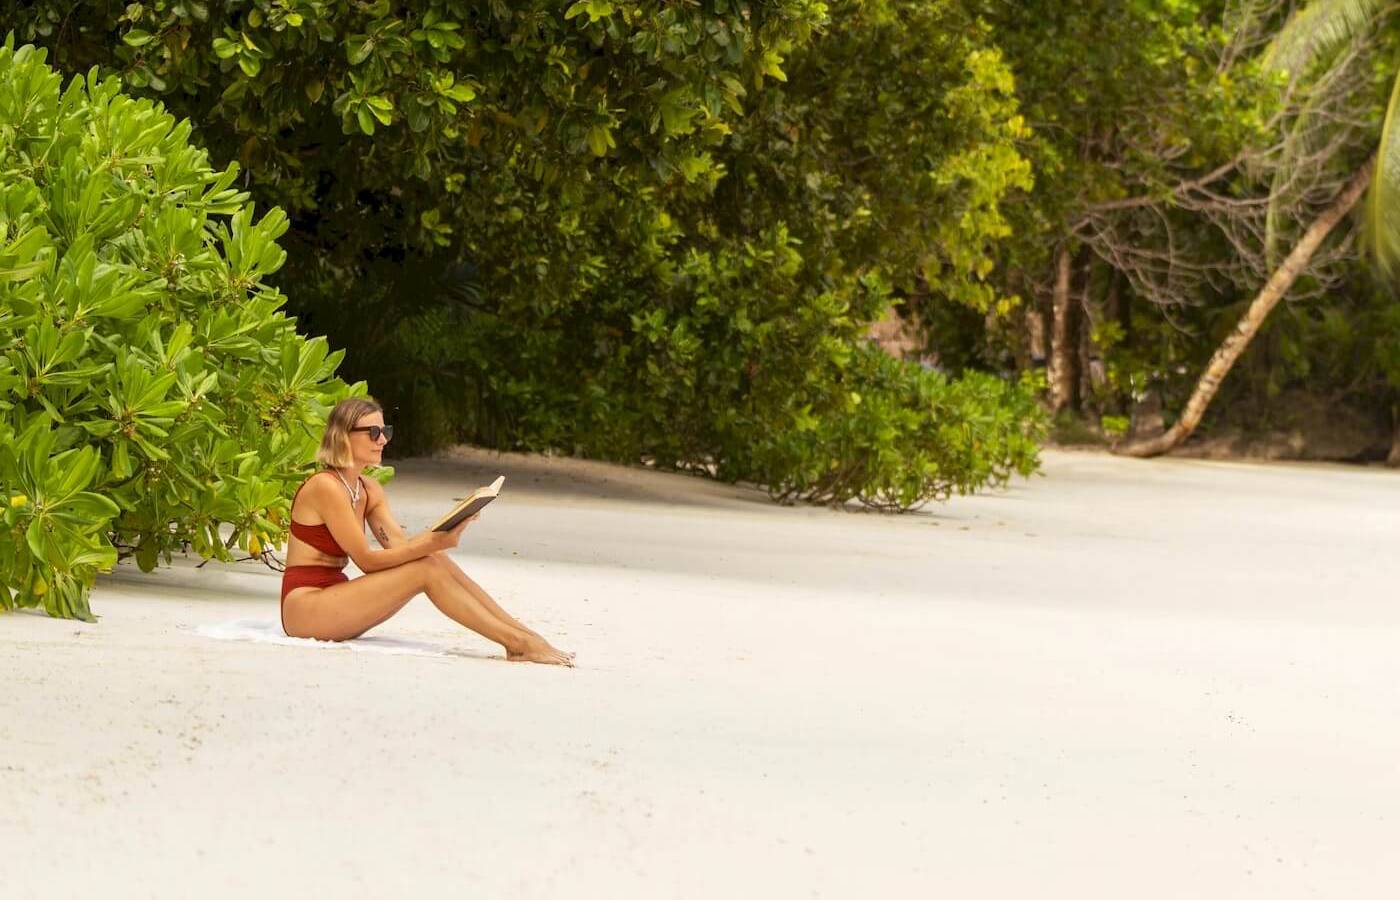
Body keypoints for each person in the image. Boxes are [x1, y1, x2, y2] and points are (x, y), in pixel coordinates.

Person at [279, 397, 573, 666]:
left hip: (335, 597)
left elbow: (398, 548)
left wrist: (449, 528)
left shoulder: (368, 489)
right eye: (373, 433)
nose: (383, 440)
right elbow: (367, 561)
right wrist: (433, 542)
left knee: (435, 561)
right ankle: (517, 643)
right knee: (427, 568)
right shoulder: (325, 486)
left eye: (386, 432)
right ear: (343, 436)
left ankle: (525, 637)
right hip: (305, 608)